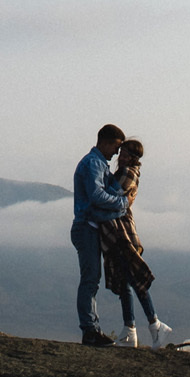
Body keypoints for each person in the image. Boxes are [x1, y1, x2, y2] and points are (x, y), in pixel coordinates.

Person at [99, 138, 172, 346]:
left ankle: (154, 325)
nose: (120, 157)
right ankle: (131, 329)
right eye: (120, 153)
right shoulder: (124, 173)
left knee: (133, 280)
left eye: (124, 154)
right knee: (125, 282)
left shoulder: (127, 174)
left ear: (133, 158)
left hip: (123, 235)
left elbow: (110, 198)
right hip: (118, 234)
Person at [71, 122, 128, 345]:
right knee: (90, 279)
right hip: (87, 227)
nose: (116, 152)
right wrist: (122, 203)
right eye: (115, 146)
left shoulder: (98, 164)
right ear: (104, 142)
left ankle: (91, 328)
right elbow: (96, 195)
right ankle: (89, 330)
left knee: (92, 279)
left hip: (89, 227)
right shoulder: (94, 164)